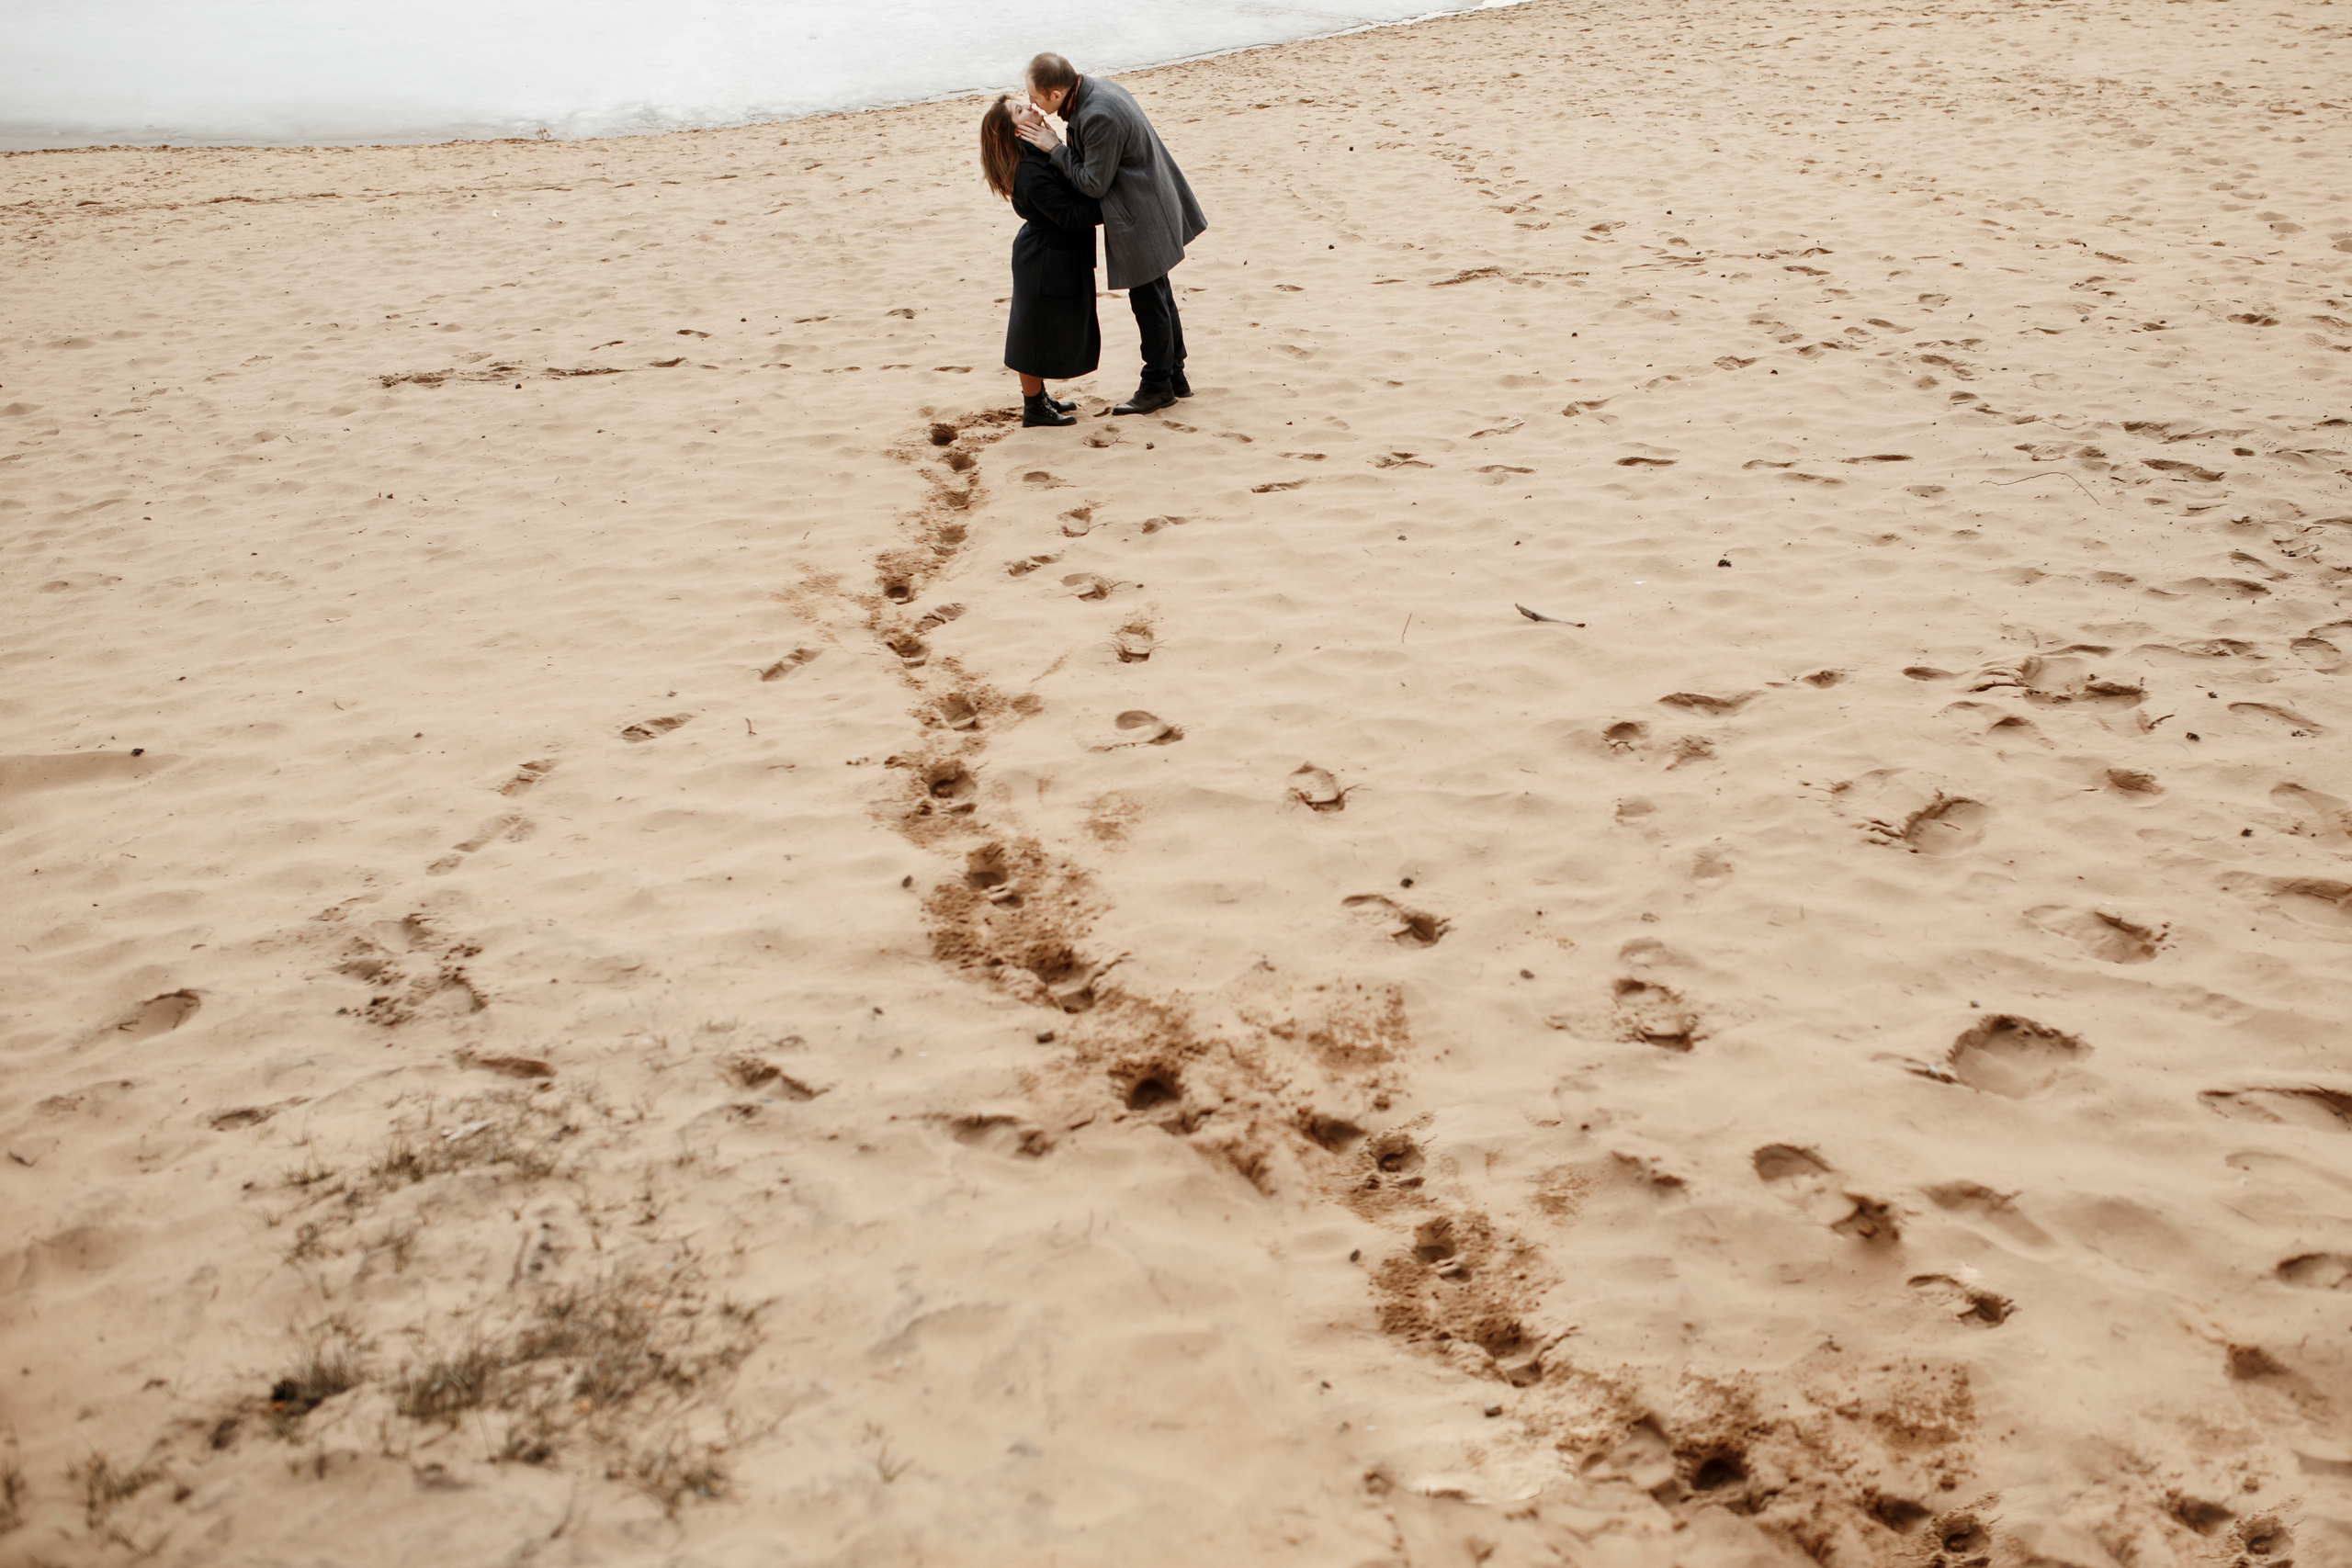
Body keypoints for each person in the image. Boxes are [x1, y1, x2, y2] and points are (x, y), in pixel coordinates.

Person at [1012, 53, 1205, 415]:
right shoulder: (1098, 90)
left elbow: (1093, 183)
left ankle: (1157, 386)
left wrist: (1053, 147)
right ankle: (1175, 375)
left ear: (1056, 93)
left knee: (1148, 301)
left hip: (1140, 211)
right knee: (1158, 293)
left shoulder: (1096, 113)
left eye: (1035, 98)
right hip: (1149, 199)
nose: (1033, 105)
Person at [979, 95, 1103, 428]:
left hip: (1051, 250)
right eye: (1020, 110)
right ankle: (1033, 408)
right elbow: (1069, 214)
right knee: (1031, 332)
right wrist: (1114, 204)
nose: (1031, 107)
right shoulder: (1029, 172)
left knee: (1042, 327)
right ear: (1013, 133)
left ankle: (1039, 397)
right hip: (1045, 256)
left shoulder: (1037, 153)